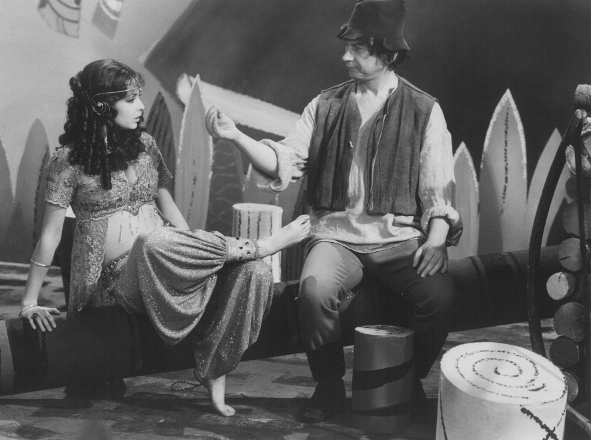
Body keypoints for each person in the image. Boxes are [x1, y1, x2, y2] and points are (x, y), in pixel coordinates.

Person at [205, 0, 463, 424]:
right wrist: (236, 136)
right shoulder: (325, 105)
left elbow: (438, 188)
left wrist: (436, 240)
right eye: (347, 46)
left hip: (398, 239)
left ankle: (407, 378)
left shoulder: (423, 109)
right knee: (314, 291)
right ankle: (327, 385)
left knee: (440, 295)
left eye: (358, 48)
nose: (346, 56)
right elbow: (284, 159)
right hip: (336, 236)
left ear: (387, 52)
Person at [19, 59, 311, 417]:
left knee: (255, 272)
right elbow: (49, 236)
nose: (141, 105)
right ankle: (257, 246)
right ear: (101, 106)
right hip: (116, 282)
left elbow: (167, 204)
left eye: (139, 97)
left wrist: (195, 253)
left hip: (167, 264)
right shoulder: (67, 161)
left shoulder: (145, 145)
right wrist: (29, 302)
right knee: (150, 242)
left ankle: (214, 369)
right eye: (130, 99)